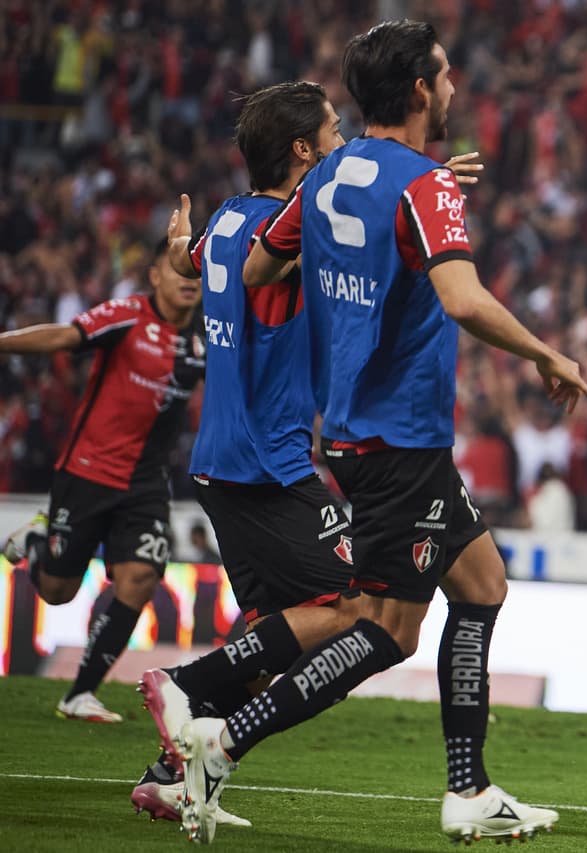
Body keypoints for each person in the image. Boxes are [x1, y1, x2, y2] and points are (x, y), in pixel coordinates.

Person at [173, 20, 587, 845]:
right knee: (386, 629)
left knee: (482, 584)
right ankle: (223, 736)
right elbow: (465, 299)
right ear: (416, 91)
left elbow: (261, 264)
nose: (452, 90)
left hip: (361, 434)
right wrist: (549, 353)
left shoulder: (333, 171)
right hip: (401, 436)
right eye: (443, 77)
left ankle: (471, 789)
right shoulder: (424, 186)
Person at [130, 79, 351, 830]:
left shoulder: (227, 219)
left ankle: (171, 775)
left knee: (270, 632)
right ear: (303, 151)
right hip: (268, 461)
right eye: (333, 131)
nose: (343, 142)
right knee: (359, 612)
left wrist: (175, 249)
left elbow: (191, 261)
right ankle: (186, 684)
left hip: (225, 457)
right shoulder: (286, 231)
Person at [0, 240, 203, 724]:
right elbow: (63, 338)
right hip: (88, 472)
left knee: (142, 575)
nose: (189, 279)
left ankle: (80, 693)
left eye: (195, 272)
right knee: (57, 592)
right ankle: (36, 541)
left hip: (147, 483)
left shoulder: (204, 337)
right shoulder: (127, 315)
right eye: (178, 269)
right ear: (154, 276)